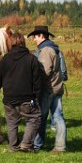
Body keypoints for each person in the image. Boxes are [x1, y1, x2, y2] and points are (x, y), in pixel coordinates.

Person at [0, 32, 42, 153]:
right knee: (34, 118)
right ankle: (25, 144)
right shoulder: (32, 59)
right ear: (23, 43)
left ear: (11, 43)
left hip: (9, 98)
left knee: (12, 123)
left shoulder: (5, 59)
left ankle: (13, 146)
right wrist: (37, 96)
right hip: (27, 98)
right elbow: (37, 81)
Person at [28, 25, 67, 153]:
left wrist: (36, 87)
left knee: (41, 117)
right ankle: (60, 146)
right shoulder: (55, 48)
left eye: (35, 37)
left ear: (41, 36)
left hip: (48, 89)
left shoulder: (46, 50)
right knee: (58, 117)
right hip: (57, 87)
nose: (34, 39)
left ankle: (36, 145)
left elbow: (44, 71)